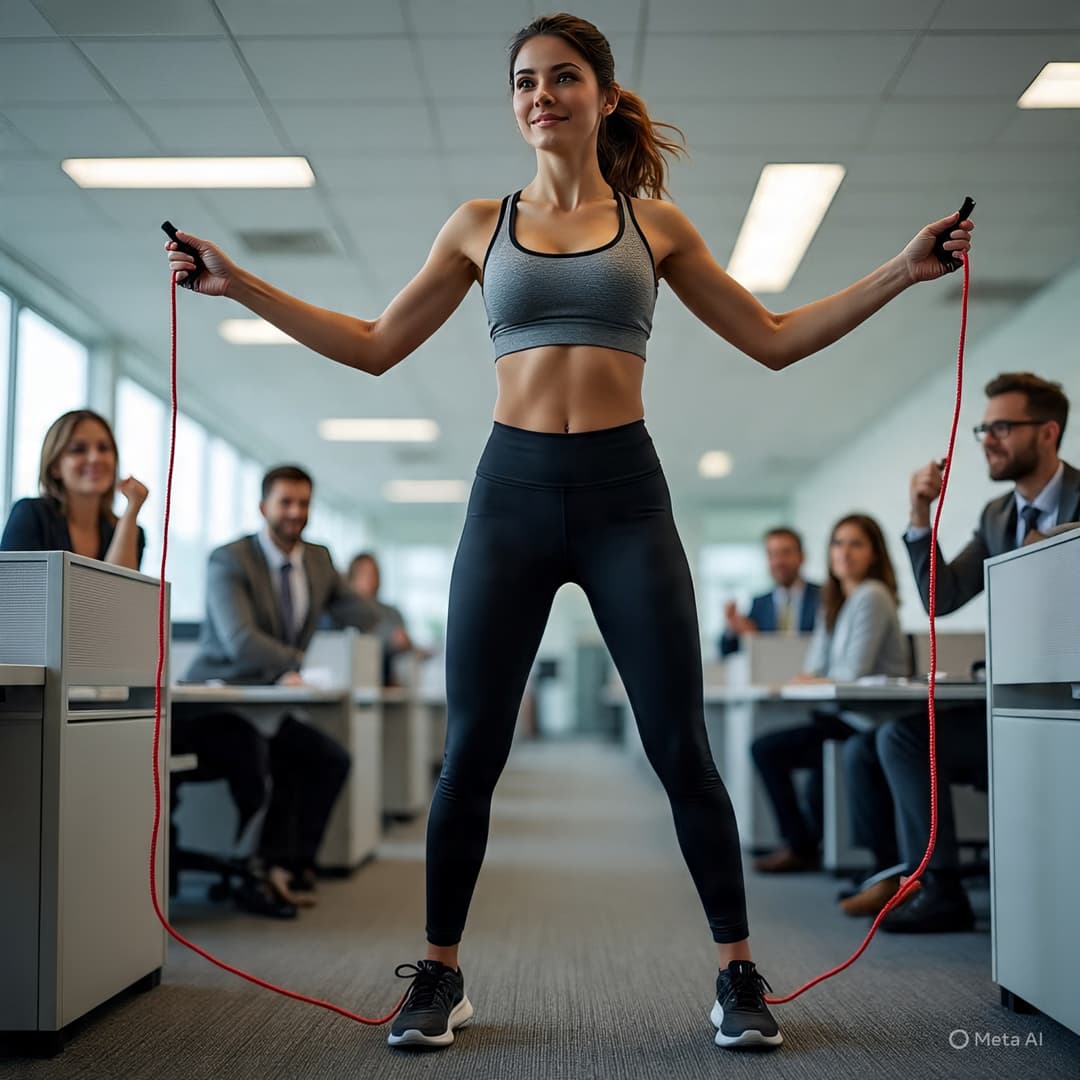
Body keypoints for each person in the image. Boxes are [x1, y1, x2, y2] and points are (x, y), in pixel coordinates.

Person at [163, 12, 973, 1051]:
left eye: (560, 78)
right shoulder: (475, 222)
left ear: (599, 94)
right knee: (471, 753)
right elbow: (372, 347)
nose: (540, 95)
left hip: (625, 496)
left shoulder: (656, 225)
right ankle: (439, 977)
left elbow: (773, 340)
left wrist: (904, 270)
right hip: (510, 494)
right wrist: (241, 284)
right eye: (523, 82)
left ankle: (738, 975)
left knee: (680, 745)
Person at [842, 372, 1077, 931]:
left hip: (1069, 703)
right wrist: (919, 513)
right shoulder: (998, 516)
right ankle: (939, 888)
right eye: (983, 427)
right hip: (1012, 703)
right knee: (900, 734)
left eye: (1002, 426)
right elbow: (940, 598)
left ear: (1048, 433)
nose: (987, 440)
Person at [173, 465, 379, 918]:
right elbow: (239, 641)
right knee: (261, 757)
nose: (295, 512)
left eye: (303, 503)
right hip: (216, 700)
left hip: (271, 704)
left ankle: (291, 864)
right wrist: (297, 661)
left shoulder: (318, 561)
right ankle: (256, 874)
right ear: (263, 506)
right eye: (285, 502)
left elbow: (363, 615)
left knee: (329, 758)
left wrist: (346, 598)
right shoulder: (230, 560)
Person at [750, 515, 908, 873]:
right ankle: (802, 843)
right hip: (841, 714)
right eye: (838, 543)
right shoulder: (834, 600)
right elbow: (814, 664)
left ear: (874, 553)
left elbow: (850, 674)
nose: (844, 552)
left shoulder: (872, 595)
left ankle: (804, 846)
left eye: (856, 544)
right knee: (769, 749)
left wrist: (812, 678)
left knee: (770, 750)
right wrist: (811, 677)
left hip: (871, 719)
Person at [1, 409, 147, 569]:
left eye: (104, 448)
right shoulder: (31, 514)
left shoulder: (131, 532)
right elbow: (11, 590)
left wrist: (132, 511)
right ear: (55, 466)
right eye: (78, 449)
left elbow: (119, 592)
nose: (95, 458)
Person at [720, 527, 819, 657]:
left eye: (786, 553)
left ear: (802, 557)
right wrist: (732, 627)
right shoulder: (759, 604)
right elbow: (727, 651)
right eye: (773, 554)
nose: (779, 561)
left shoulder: (824, 597)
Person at [348, 552, 431, 685]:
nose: (370, 579)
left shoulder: (392, 613)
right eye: (364, 573)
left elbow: (407, 646)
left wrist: (407, 644)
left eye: (374, 573)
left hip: (392, 682)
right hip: (357, 681)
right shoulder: (343, 613)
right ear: (351, 578)